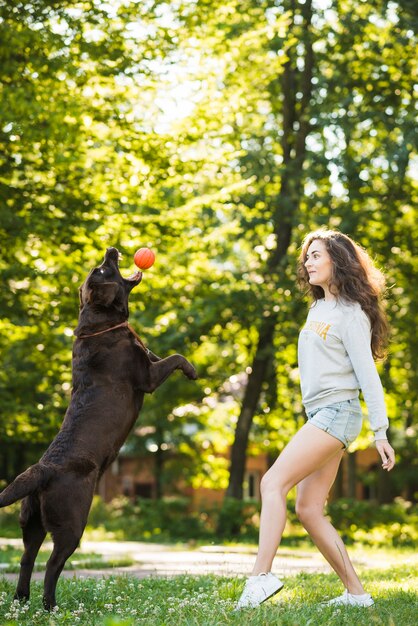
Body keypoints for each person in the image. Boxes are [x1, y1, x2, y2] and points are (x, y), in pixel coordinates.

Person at [235, 228, 395, 610]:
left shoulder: (351, 314)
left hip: (339, 412)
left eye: (316, 255)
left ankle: (260, 576)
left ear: (337, 260)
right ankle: (358, 595)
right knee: (308, 509)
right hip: (322, 412)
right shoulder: (317, 308)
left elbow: (367, 374)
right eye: (306, 256)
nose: (307, 261)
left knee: (272, 482)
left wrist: (381, 431)